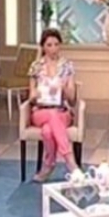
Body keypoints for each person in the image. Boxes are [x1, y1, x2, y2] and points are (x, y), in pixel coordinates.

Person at [27, 28, 80, 182]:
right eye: (49, 45)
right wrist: (36, 94)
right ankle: (71, 162)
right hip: (40, 112)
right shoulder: (36, 66)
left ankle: (48, 165)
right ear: (43, 46)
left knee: (48, 131)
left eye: (56, 44)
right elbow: (31, 97)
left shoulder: (67, 66)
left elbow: (72, 100)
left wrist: (64, 88)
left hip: (62, 111)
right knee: (50, 115)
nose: (53, 49)